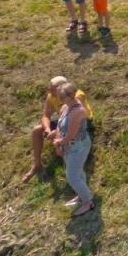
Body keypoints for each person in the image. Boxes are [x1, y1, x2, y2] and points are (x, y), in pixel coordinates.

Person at [24, 76, 91, 181]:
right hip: (63, 121)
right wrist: (47, 129)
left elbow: (73, 121)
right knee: (37, 130)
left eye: (52, 89)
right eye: (49, 89)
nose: (50, 92)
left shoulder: (76, 96)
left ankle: (71, 169)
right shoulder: (51, 96)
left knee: (62, 141)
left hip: (80, 123)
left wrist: (56, 133)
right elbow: (46, 115)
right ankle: (37, 164)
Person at [50, 80, 95, 215]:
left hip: (79, 147)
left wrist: (59, 143)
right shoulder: (65, 107)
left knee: (72, 177)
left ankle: (88, 202)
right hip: (69, 146)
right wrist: (59, 141)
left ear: (70, 96)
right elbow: (59, 126)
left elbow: (71, 135)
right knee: (78, 172)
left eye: (62, 97)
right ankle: (82, 196)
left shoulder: (78, 111)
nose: (59, 99)